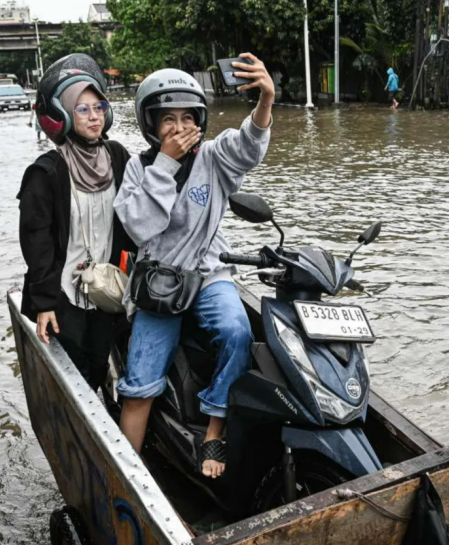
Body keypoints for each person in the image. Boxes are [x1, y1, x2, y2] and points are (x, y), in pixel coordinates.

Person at [114, 53, 274, 480]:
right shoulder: (139, 167)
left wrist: (264, 102)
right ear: (150, 124)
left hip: (208, 272)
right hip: (160, 281)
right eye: (167, 119)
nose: (179, 128)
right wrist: (165, 163)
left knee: (238, 331)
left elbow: (247, 147)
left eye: (188, 117)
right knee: (140, 382)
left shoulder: (214, 157)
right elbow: (140, 227)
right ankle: (125, 473)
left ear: (201, 120)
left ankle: (214, 428)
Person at [18, 53, 131, 393]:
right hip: (63, 293)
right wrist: (44, 304)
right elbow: (36, 243)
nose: (94, 116)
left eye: (99, 107)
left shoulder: (118, 157)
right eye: (82, 109)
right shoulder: (46, 172)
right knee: (74, 369)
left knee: (98, 363)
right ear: (63, 115)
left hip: (105, 286)